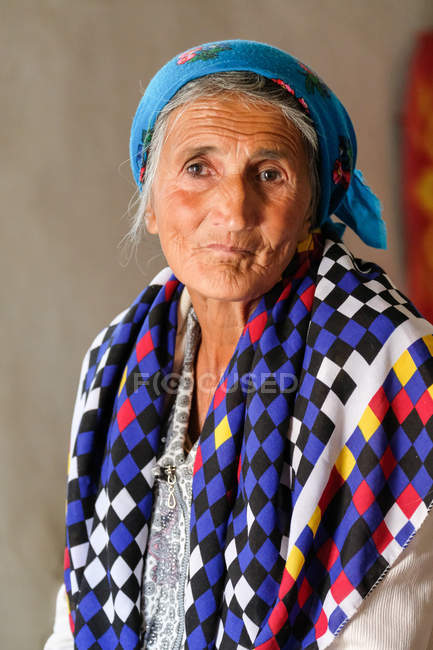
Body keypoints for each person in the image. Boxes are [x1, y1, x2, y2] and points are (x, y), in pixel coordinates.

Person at [45, 39, 433, 650]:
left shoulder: (386, 362)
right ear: (151, 200)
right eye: (199, 167)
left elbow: (384, 629)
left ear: (311, 208)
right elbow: (74, 618)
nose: (233, 210)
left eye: (270, 174)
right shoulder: (117, 358)